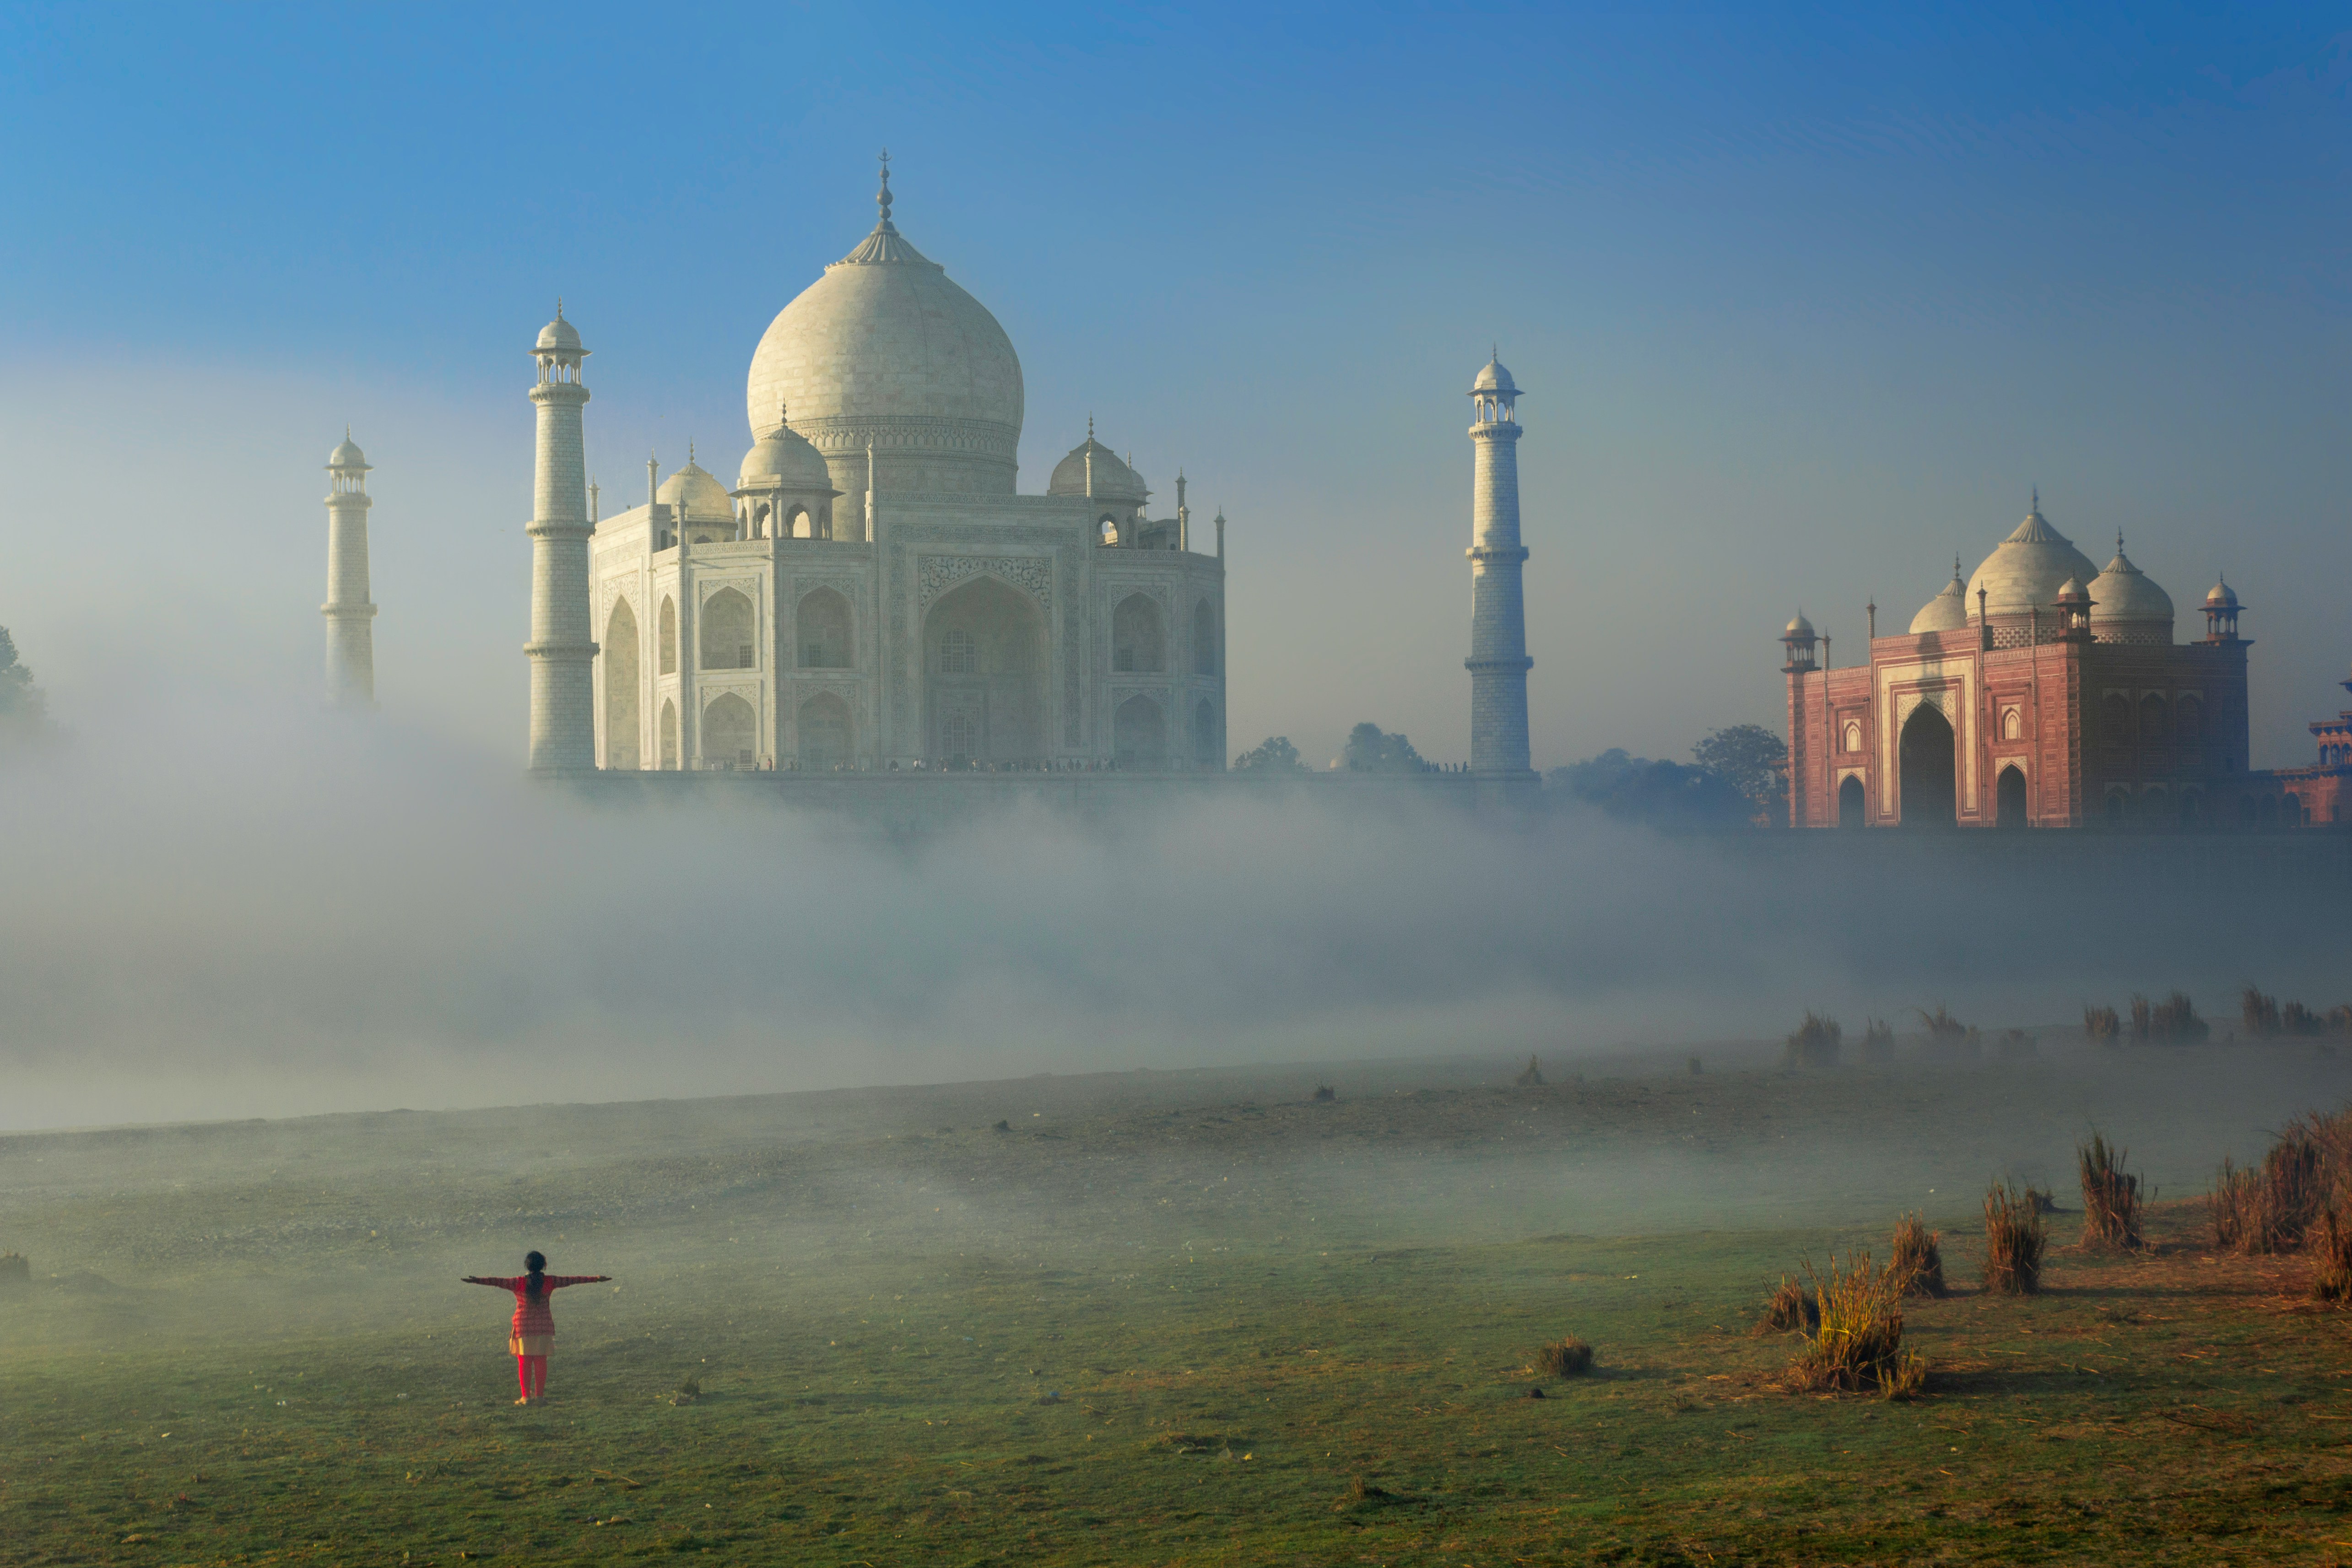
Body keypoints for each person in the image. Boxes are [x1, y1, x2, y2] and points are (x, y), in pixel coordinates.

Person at [461, 1251, 611, 1405]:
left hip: (523, 1326)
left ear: (527, 1265)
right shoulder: (550, 1281)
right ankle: (539, 1397)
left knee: (524, 1361)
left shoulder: (518, 1282)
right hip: (543, 1325)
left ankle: (525, 1397)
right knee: (541, 1361)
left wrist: (477, 1281)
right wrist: (596, 1279)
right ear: (544, 1266)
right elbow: (573, 1280)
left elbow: (497, 1282)